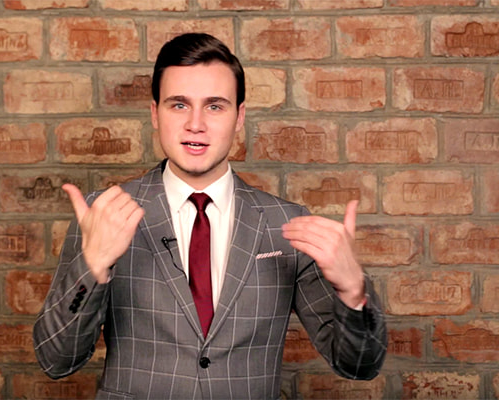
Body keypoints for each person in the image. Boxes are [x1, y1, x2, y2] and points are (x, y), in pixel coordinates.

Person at [33, 32, 387, 399]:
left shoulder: (285, 225)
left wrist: (353, 291)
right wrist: (92, 267)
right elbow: (56, 360)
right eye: (179, 105)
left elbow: (359, 365)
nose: (196, 124)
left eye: (215, 106)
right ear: (155, 113)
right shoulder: (104, 214)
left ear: (239, 117)